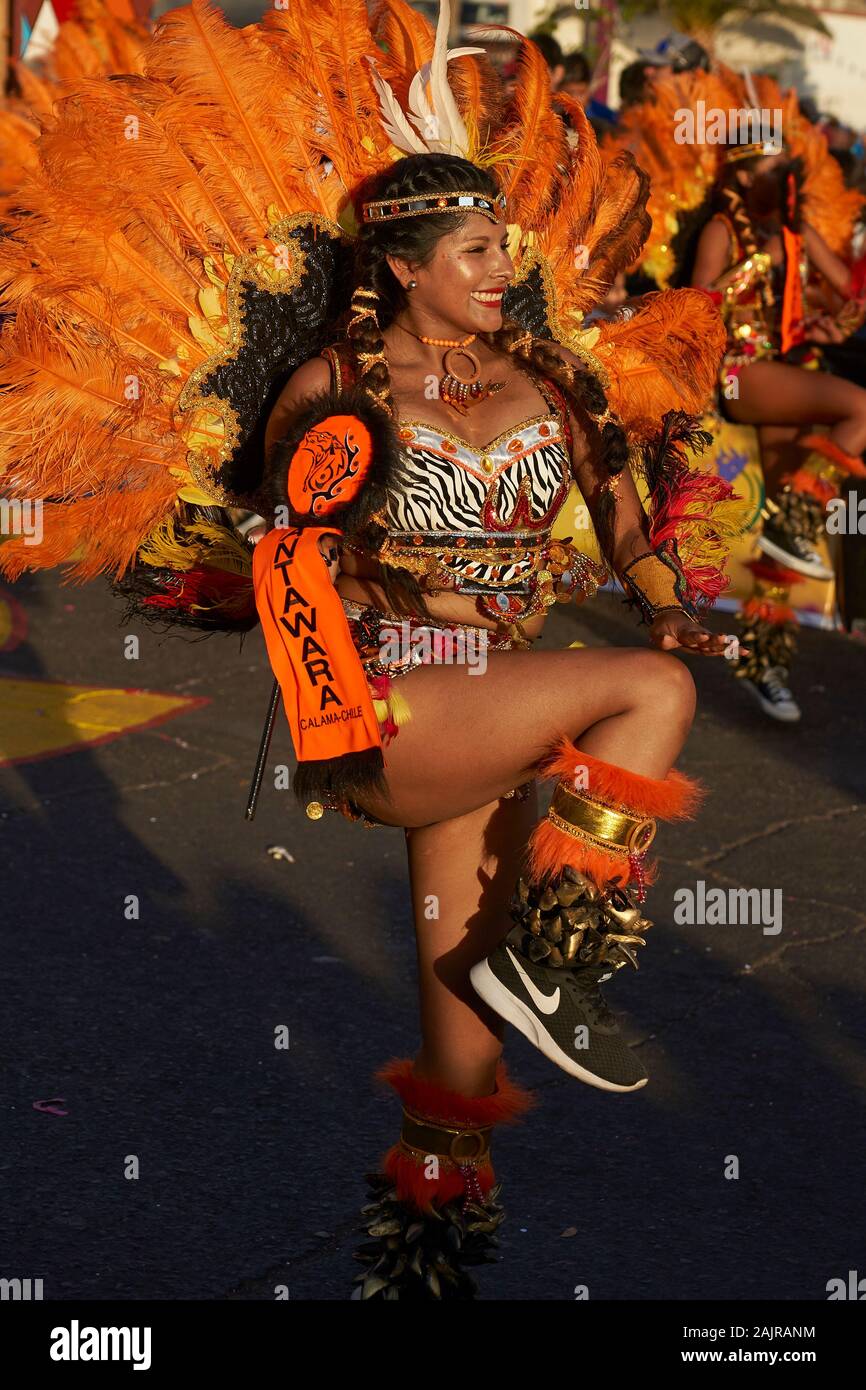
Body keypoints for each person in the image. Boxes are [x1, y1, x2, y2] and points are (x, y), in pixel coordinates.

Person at [0, 0, 735, 1299]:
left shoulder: (547, 377)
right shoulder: (335, 395)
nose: (499, 266)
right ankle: (556, 961)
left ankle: (421, 1260)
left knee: (462, 1066)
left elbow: (617, 505)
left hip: (496, 716)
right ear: (400, 264)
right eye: (471, 249)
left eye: (504, 244)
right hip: (401, 707)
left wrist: (663, 589)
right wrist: (374, 646)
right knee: (646, 691)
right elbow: (298, 559)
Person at [690, 141, 866, 719]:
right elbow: (699, 305)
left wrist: (827, 316)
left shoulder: (792, 231)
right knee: (862, 408)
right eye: (770, 168)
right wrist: (761, 262)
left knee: (783, 538)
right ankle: (792, 526)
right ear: (742, 174)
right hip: (742, 374)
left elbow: (852, 292)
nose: (782, 177)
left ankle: (762, 663)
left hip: (790, 373)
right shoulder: (723, 227)